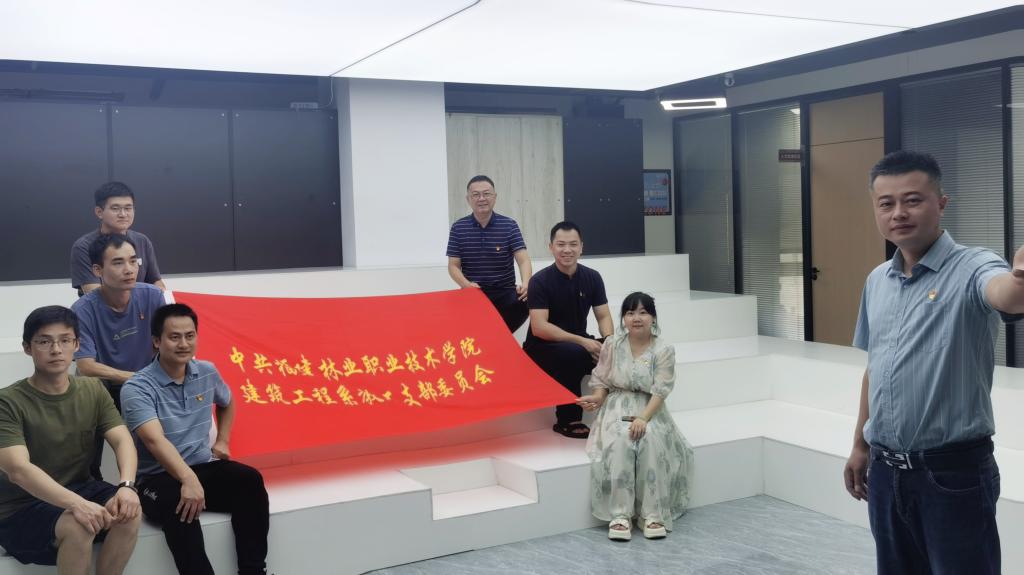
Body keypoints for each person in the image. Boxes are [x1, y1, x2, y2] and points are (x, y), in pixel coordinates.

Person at [842, 150, 1024, 574]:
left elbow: (1005, 294)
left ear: (941, 203)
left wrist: (1019, 283)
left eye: (913, 200)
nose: (899, 213)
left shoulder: (973, 265)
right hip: (885, 472)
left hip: (952, 475)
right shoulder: (877, 280)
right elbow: (876, 368)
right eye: (886, 203)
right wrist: (860, 446)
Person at [121, 303, 270, 575]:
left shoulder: (207, 371)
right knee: (178, 503)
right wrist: (188, 479)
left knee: (249, 480)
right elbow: (154, 441)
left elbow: (227, 401)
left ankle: (253, 571)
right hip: (156, 479)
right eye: (174, 337)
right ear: (156, 341)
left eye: (190, 336)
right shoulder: (137, 387)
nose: (183, 344)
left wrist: (222, 440)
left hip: (202, 468)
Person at [0, 306, 141, 574]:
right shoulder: (7, 401)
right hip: (20, 507)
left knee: (128, 511)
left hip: (80, 489)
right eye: (44, 342)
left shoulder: (92, 389)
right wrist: (77, 504)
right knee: (79, 524)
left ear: (77, 344)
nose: (56, 350)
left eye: (65, 340)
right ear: (27, 348)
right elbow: (18, 470)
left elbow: (122, 440)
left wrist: (127, 486)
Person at [578, 292, 693, 541]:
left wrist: (643, 418)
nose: (636, 318)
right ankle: (620, 514)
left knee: (648, 437)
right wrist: (597, 398)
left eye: (643, 312)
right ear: (623, 318)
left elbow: (662, 389)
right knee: (622, 438)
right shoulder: (612, 344)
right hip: (617, 406)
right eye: (630, 313)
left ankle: (651, 514)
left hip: (649, 407)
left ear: (653, 318)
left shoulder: (663, 349)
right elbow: (601, 380)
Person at [72, 233, 167, 480]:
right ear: (97, 270)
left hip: (145, 381)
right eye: (118, 263)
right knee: (88, 386)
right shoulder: (83, 309)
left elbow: (169, 343)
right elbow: (86, 366)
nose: (129, 269)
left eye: (133, 261)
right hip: (106, 385)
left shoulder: (153, 296)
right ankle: (91, 481)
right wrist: (135, 378)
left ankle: (150, 481)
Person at [524, 221, 613, 438]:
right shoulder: (539, 281)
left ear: (581, 247)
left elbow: (603, 315)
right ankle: (567, 419)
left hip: (577, 341)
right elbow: (539, 327)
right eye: (561, 244)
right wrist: (583, 342)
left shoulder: (592, 277)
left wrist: (610, 341)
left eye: (573, 244)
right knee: (573, 354)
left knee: (620, 349)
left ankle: (620, 414)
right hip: (542, 346)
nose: (567, 250)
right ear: (551, 247)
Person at [447, 175, 533, 332]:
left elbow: (523, 260)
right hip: (474, 292)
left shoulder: (509, 225)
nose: (481, 198)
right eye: (476, 194)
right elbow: (453, 266)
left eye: (486, 194)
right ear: (468, 199)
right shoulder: (458, 228)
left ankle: (500, 338)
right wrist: (466, 285)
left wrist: (526, 283)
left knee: (528, 299)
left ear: (495, 197)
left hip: (505, 292)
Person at [71, 181, 164, 296]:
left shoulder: (142, 241)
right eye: (115, 208)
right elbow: (94, 293)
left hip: (142, 306)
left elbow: (156, 282)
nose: (123, 214)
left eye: (128, 208)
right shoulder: (84, 246)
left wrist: (160, 296)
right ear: (99, 212)